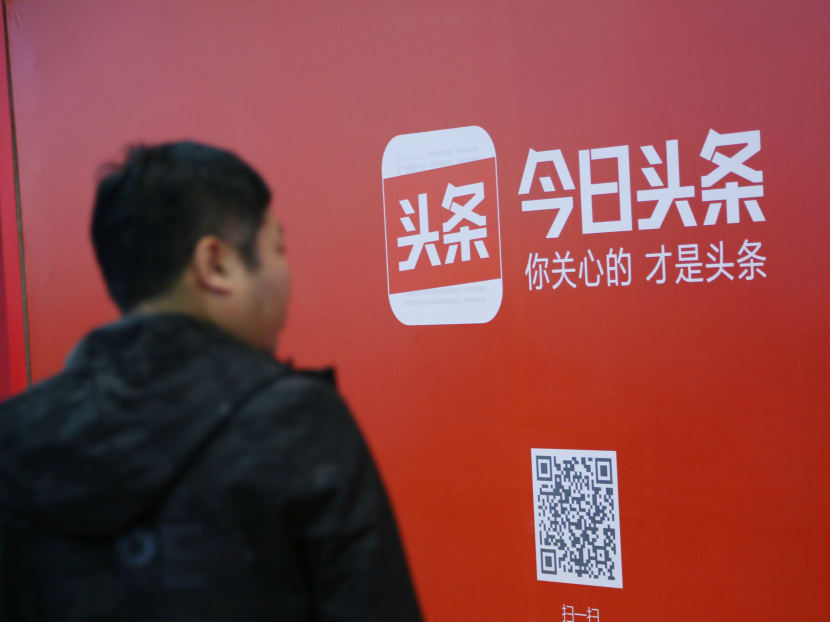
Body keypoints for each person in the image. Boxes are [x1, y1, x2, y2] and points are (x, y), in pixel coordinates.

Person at [0, 141, 423, 621]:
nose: (286, 277)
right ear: (216, 265)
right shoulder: (298, 425)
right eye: (277, 249)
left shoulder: (14, 437)